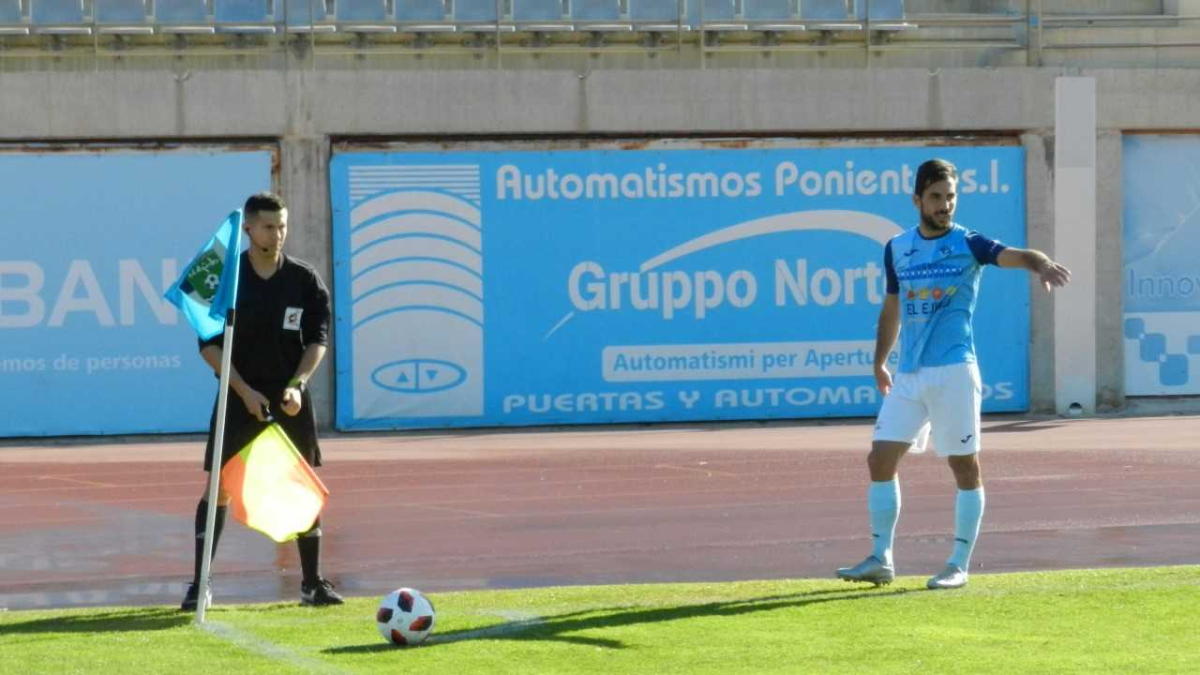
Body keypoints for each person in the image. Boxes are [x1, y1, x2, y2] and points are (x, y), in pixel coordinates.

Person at [837, 158, 1071, 590]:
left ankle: (958, 563)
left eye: (950, 197)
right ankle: (881, 558)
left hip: (954, 371)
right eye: (936, 197)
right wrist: (879, 361)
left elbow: (1015, 255)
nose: (945, 205)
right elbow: (892, 308)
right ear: (917, 200)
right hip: (909, 375)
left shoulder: (969, 243)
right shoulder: (896, 248)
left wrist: (1040, 263)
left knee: (964, 465)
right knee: (880, 460)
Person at [181, 192, 343, 610]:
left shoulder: (304, 280)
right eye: (269, 227)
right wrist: (244, 391)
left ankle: (312, 584)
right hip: (239, 395)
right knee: (219, 487)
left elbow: (317, 341)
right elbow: (209, 346)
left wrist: (297, 385)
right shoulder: (228, 281)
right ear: (249, 229)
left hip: (288, 397)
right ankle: (201, 584)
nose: (278, 233)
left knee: (301, 485)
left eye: (282, 225)